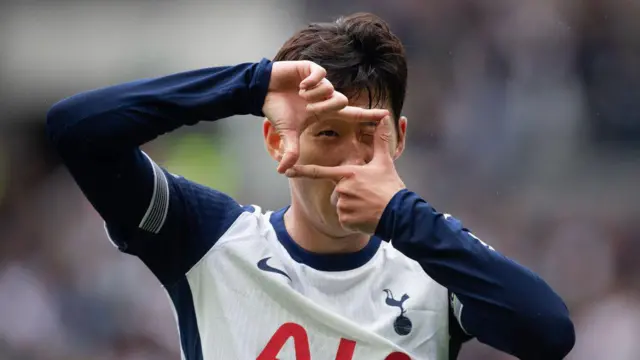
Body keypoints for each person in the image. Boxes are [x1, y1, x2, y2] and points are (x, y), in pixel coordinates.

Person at [46, 12, 575, 360]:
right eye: (327, 132)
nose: (351, 161)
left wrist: (400, 216)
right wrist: (250, 85)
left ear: (401, 138)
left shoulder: (433, 261)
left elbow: (549, 333)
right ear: (278, 143)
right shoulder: (209, 240)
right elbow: (78, 129)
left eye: (369, 132)